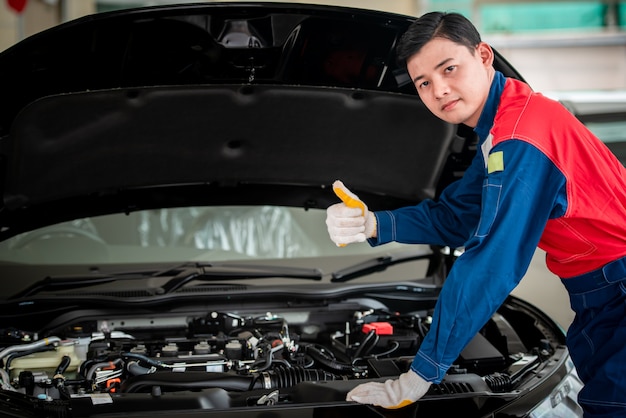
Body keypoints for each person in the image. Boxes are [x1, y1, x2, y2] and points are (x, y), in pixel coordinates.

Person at [325, 11, 626, 417]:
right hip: (602, 297)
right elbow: (461, 215)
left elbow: (491, 261)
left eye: (449, 68)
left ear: (483, 55)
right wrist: (376, 223)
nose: (440, 90)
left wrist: (422, 374)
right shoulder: (502, 126)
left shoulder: (522, 137)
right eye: (424, 83)